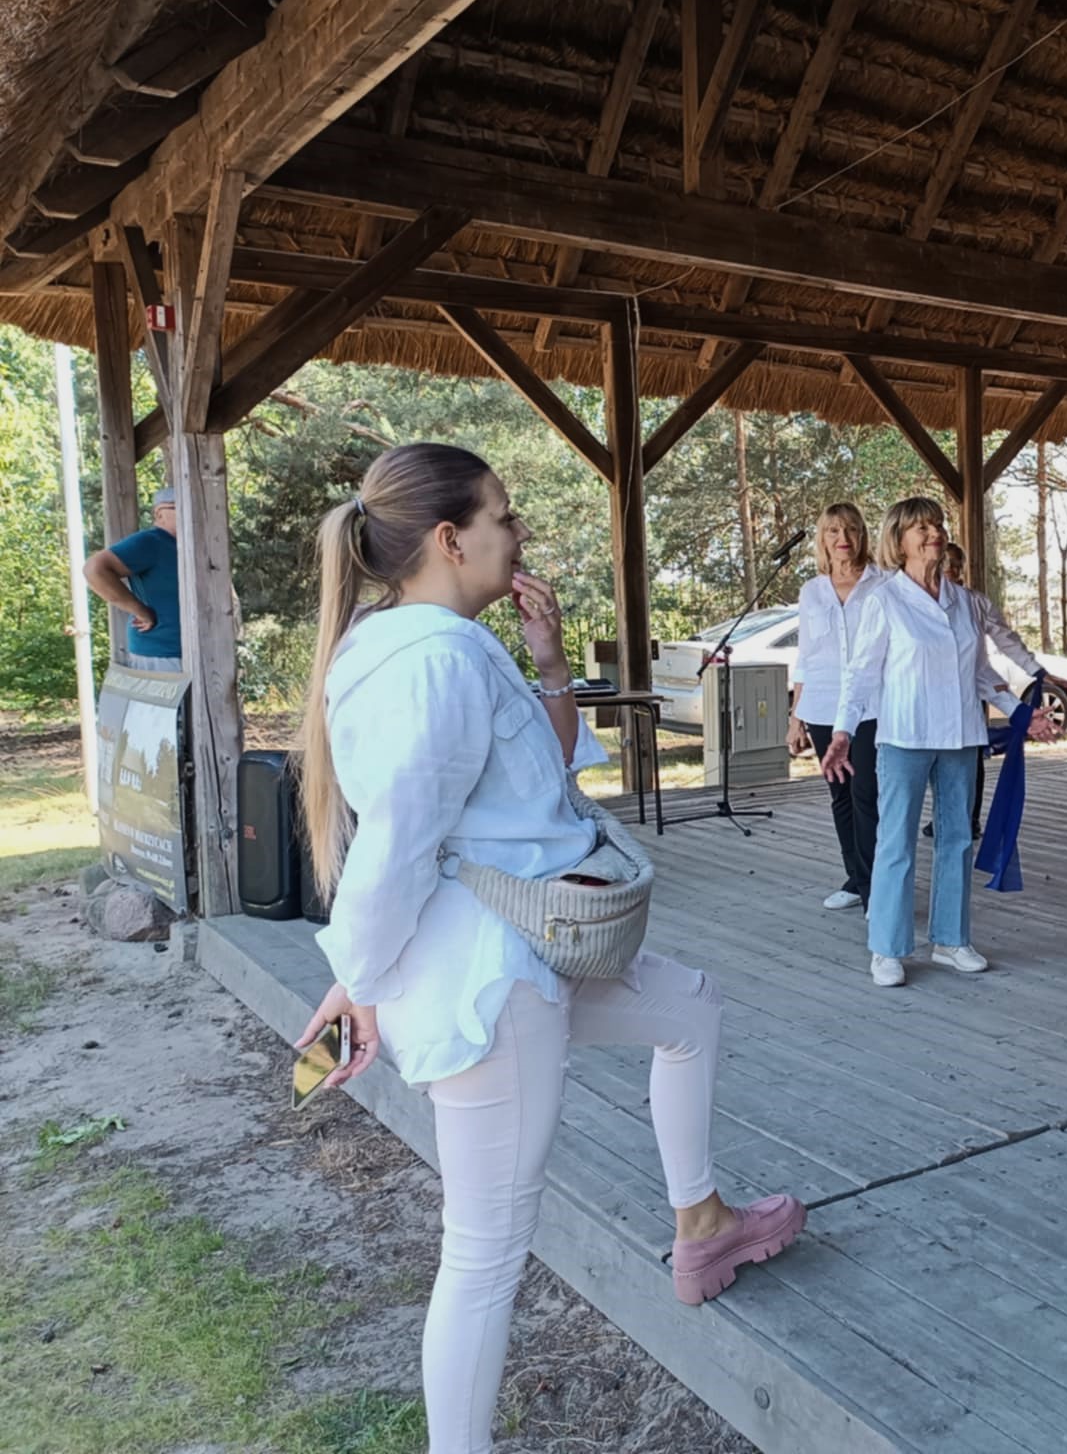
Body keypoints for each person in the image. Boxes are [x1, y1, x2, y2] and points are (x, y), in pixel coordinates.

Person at [290, 443, 803, 1452]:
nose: (519, 531)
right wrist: (357, 979)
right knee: (483, 1256)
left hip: (526, 952)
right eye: (505, 515)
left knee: (690, 1007)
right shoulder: (438, 661)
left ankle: (702, 1224)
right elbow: (397, 843)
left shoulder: (409, 647)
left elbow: (526, 779)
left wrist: (552, 664)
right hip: (492, 983)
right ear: (451, 539)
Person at [822, 499, 1059, 987]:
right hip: (904, 736)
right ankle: (887, 948)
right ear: (899, 541)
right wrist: (843, 731)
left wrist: (1021, 715)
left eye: (937, 525)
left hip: (960, 737)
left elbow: (981, 673)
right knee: (896, 841)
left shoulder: (966, 602)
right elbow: (860, 675)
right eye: (921, 528)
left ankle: (951, 940)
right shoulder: (884, 600)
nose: (933, 533)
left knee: (956, 839)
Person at [786, 504, 884, 913]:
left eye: (850, 529)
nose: (843, 538)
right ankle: (856, 879)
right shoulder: (812, 591)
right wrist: (796, 717)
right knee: (840, 795)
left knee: (866, 793)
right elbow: (806, 656)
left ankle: (877, 889)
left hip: (871, 705)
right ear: (822, 539)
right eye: (833, 531)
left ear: (862, 535)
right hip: (823, 704)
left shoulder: (883, 583)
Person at [937, 541, 1064, 841]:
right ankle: (942, 816)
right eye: (945, 562)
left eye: (956, 563)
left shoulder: (975, 603)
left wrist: (1036, 671)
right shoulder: (910, 600)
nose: (951, 568)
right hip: (927, 707)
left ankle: (969, 817)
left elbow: (1005, 640)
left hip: (969, 697)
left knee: (970, 757)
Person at [84, 488, 183, 671]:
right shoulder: (150, 542)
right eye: (180, 508)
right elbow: (94, 570)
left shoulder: (186, 546)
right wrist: (139, 610)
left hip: (191, 651)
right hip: (161, 654)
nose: (188, 515)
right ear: (159, 514)